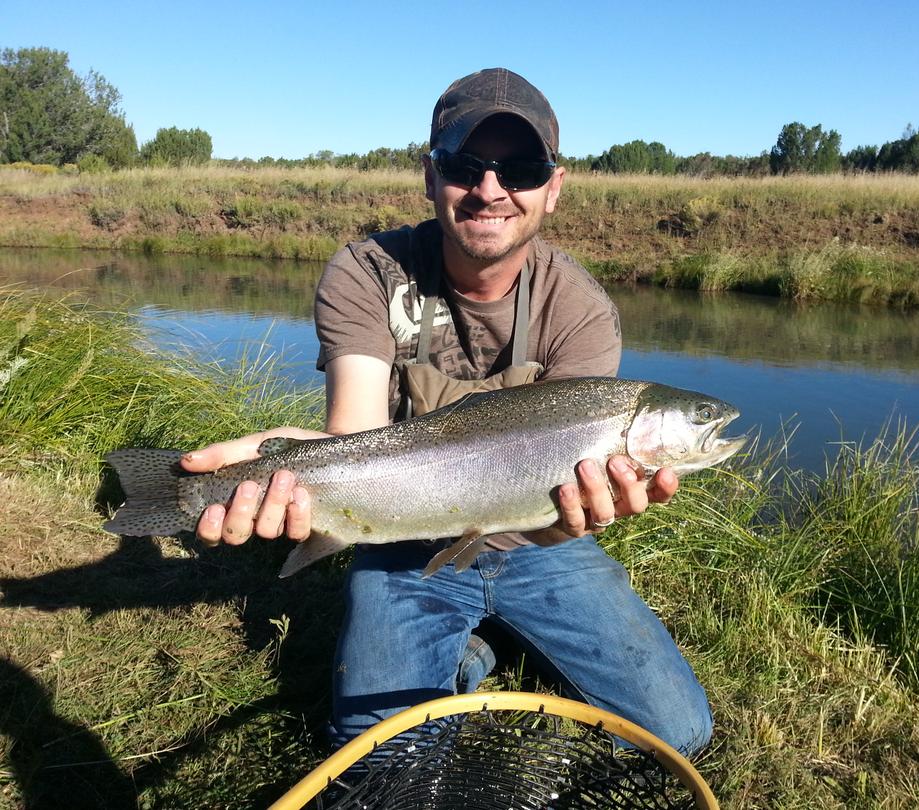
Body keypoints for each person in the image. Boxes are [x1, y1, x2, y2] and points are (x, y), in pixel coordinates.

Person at [181, 68, 713, 755]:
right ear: (431, 177)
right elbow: (357, 440)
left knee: (678, 733)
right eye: (465, 166)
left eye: (521, 170)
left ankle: (478, 644)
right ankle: (478, 648)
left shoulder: (579, 309)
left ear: (553, 188)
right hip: (401, 536)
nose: (490, 190)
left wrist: (577, 517)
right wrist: (282, 464)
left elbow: (558, 516)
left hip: (539, 549)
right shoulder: (368, 271)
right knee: (382, 754)